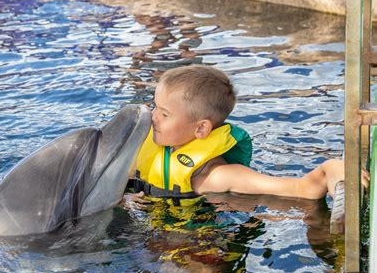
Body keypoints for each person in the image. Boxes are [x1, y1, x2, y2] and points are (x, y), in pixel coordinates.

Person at [124, 64, 368, 208]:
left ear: (200, 129)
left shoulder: (215, 176)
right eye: (155, 107)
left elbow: (304, 188)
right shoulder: (148, 148)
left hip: (197, 242)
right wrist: (125, 200)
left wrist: (334, 169)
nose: (152, 117)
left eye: (164, 114)